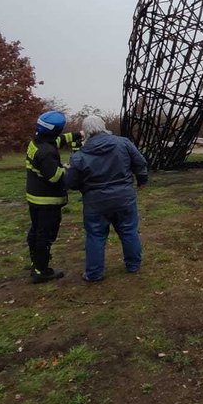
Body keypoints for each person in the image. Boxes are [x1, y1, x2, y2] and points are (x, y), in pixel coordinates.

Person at [65, 116, 149, 281]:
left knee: (95, 235)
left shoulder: (79, 155)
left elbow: (71, 182)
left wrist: (80, 185)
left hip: (95, 202)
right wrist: (142, 180)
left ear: (85, 132)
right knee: (129, 231)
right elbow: (140, 162)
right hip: (124, 197)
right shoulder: (123, 143)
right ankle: (133, 265)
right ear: (103, 126)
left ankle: (94, 273)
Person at [25, 110, 82, 284]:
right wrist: (69, 168)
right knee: (45, 234)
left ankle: (36, 262)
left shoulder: (37, 142)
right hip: (47, 201)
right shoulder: (47, 152)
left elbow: (58, 140)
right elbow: (55, 177)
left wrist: (77, 135)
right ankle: (41, 270)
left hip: (34, 197)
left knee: (36, 231)